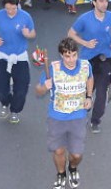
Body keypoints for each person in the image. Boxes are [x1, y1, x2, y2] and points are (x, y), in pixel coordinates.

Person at [36, 38, 94, 189]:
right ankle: (61, 174)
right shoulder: (53, 69)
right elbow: (38, 90)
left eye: (74, 55)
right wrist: (45, 87)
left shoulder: (86, 66)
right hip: (57, 117)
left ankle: (72, 168)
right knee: (59, 150)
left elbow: (90, 79)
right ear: (61, 55)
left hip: (78, 117)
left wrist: (89, 96)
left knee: (76, 155)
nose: (71, 59)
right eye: (67, 56)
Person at [68, 0, 111, 134]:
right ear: (94, 2)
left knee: (102, 94)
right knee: (85, 91)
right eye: (101, 1)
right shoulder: (84, 18)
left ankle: (95, 120)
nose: (104, 4)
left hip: (105, 59)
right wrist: (85, 43)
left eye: (106, 1)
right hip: (88, 61)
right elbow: (70, 34)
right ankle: (80, 115)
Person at [0, 0, 37, 124]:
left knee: (21, 89)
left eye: (13, 8)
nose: (10, 11)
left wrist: (28, 35)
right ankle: (5, 103)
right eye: (7, 8)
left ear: (18, 5)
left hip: (20, 56)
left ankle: (15, 110)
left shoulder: (25, 17)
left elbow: (33, 33)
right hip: (2, 55)